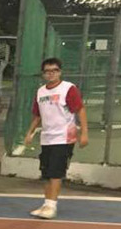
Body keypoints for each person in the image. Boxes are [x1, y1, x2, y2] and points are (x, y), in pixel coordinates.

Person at [24, 57, 89, 220]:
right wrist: (29, 132)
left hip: (64, 138)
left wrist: (84, 133)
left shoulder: (69, 89)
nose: (51, 73)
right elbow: (37, 115)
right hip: (47, 138)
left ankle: (52, 205)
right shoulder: (40, 92)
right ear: (43, 73)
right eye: (47, 71)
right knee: (46, 173)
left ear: (60, 72)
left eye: (54, 70)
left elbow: (80, 110)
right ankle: (46, 203)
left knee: (55, 172)